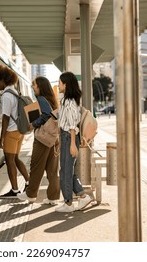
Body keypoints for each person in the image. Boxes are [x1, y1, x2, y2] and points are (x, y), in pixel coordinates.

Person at [17, 76, 60, 204]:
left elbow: (46, 115)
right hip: (53, 139)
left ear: (40, 86)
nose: (32, 87)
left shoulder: (41, 99)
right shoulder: (51, 99)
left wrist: (34, 124)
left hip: (42, 138)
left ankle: (30, 194)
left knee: (36, 166)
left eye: (34, 85)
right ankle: (53, 198)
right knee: (52, 169)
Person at [0, 65, 29, 198]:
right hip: (19, 131)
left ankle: (15, 190)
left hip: (11, 132)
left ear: (2, 80)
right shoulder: (14, 92)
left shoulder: (6, 95)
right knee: (16, 159)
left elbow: (5, 118)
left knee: (10, 161)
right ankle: (29, 182)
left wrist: (1, 138)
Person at [56, 71, 92, 212]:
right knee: (66, 170)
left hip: (69, 137)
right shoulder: (67, 100)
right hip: (65, 137)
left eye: (59, 82)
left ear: (65, 84)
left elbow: (72, 125)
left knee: (66, 171)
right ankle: (82, 196)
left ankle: (69, 203)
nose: (58, 85)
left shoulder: (69, 102)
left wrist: (71, 144)